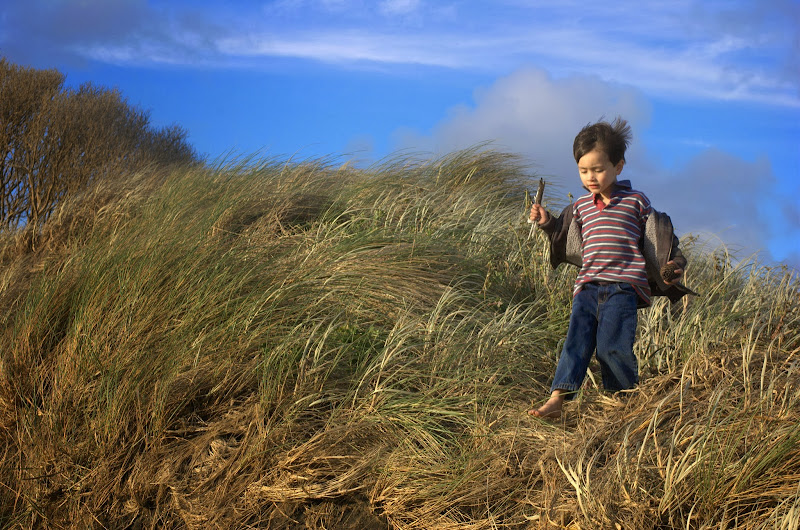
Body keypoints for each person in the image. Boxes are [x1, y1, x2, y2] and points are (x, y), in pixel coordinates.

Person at [528, 117, 696, 420]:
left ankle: (623, 402)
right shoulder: (581, 206)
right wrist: (547, 222)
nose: (590, 177)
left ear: (618, 166)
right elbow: (567, 237)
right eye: (583, 170)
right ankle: (557, 400)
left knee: (612, 347)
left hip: (623, 287)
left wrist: (673, 264)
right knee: (576, 343)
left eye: (598, 169)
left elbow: (660, 237)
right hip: (587, 286)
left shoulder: (636, 201)